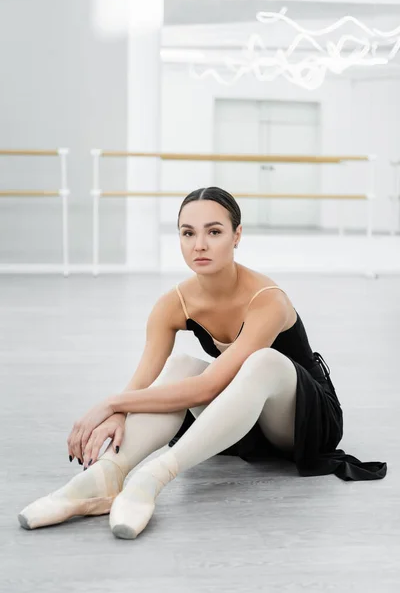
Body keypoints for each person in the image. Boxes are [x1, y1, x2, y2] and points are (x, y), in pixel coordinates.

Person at [18, 186, 387, 539]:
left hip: (303, 422)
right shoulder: (172, 304)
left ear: (237, 235)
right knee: (179, 364)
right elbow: (143, 383)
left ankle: (152, 479)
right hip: (240, 418)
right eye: (188, 233)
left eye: (214, 231)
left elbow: (209, 387)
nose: (200, 245)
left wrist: (109, 403)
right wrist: (117, 413)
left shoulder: (268, 300)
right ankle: (105, 478)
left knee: (262, 362)